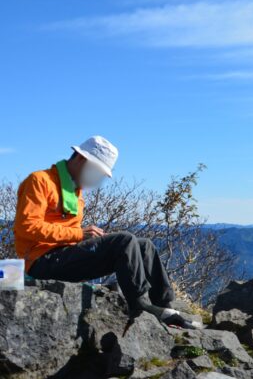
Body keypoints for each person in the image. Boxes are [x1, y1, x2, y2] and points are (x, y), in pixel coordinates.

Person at [13, 135, 200, 328]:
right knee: (124, 241)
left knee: (143, 245)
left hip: (63, 256)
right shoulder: (40, 181)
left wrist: (84, 239)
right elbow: (27, 226)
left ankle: (165, 305)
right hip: (41, 262)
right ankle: (139, 303)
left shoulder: (73, 191)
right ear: (81, 159)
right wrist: (79, 235)